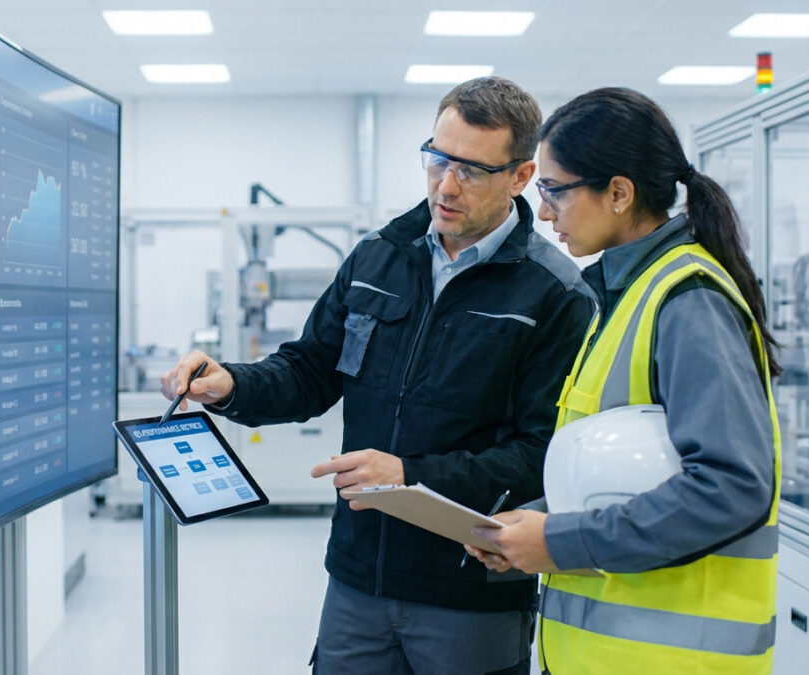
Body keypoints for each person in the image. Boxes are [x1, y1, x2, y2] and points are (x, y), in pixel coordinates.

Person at [160, 76, 594, 674]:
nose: (445, 185)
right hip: (358, 580)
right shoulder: (379, 256)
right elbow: (310, 370)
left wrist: (407, 477)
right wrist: (231, 385)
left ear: (520, 177)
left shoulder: (554, 294)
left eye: (470, 170)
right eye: (437, 160)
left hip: (469, 595)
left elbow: (541, 452)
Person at [464, 87, 782, 674]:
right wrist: (531, 525)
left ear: (618, 192)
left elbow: (732, 487)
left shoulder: (688, 302)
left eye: (556, 190)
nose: (546, 210)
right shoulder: (624, 294)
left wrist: (558, 542)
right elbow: (616, 473)